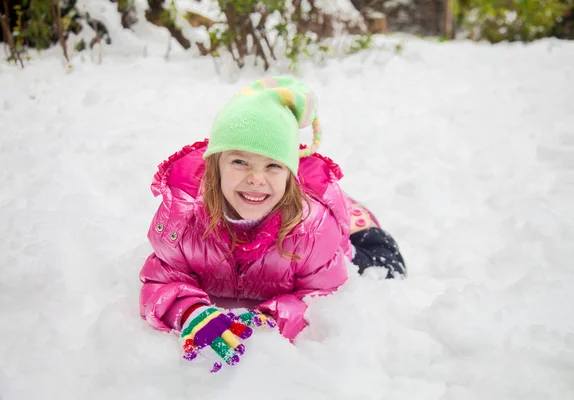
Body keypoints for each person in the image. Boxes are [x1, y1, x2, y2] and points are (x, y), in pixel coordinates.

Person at [138, 77, 406, 372]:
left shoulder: (313, 229)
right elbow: (161, 280)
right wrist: (190, 312)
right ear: (215, 166)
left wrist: (273, 319)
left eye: (273, 165)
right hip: (276, 203)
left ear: (291, 173)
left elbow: (324, 294)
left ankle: (351, 211)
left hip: (337, 237)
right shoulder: (183, 216)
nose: (256, 177)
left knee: (385, 265)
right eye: (240, 161)